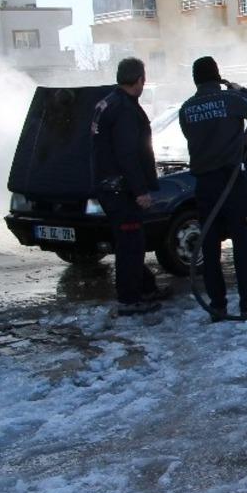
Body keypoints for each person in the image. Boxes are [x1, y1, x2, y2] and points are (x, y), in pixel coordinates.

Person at [179, 56, 247, 322]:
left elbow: (193, 137)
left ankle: (217, 306)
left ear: (196, 80)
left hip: (204, 185)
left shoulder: (186, 109)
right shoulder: (230, 100)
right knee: (242, 245)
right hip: (232, 181)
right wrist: (241, 90)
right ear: (218, 77)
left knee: (210, 247)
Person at [90, 57, 162, 316]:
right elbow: (127, 154)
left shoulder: (108, 102)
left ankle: (146, 287)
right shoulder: (124, 109)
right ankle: (130, 300)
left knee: (130, 241)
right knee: (130, 244)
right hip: (121, 190)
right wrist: (141, 191)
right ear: (141, 79)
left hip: (109, 186)